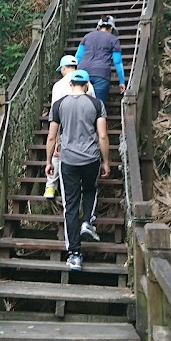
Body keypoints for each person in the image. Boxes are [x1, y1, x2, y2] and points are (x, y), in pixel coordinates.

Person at [45, 69, 110, 271]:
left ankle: (74, 254)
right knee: (90, 190)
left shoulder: (58, 105)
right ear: (88, 85)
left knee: (70, 206)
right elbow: (102, 136)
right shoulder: (96, 104)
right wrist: (106, 161)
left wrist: (48, 161)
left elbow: (51, 137)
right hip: (91, 158)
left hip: (68, 161)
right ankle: (87, 223)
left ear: (71, 83)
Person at [44, 55, 95, 199]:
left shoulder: (59, 85)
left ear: (64, 68)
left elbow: (56, 111)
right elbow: (94, 105)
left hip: (65, 126)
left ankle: (50, 186)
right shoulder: (88, 84)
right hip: (85, 129)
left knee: (57, 153)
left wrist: (55, 140)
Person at [75, 16, 126, 104]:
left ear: (98, 27)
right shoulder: (113, 39)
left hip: (83, 73)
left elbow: (77, 57)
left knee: (80, 104)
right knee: (98, 106)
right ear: (111, 29)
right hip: (101, 75)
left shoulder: (87, 37)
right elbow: (117, 62)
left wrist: (73, 75)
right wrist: (121, 81)